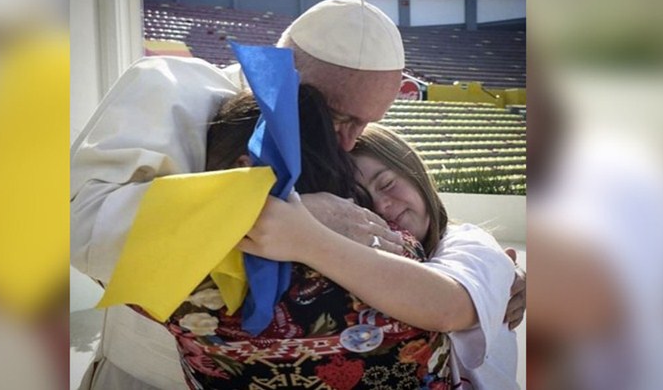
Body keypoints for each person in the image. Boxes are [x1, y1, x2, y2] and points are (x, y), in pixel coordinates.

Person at [155, 85, 454, 388]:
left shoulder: (172, 275)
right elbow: (452, 306)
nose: (381, 207)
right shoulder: (392, 245)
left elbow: (109, 252)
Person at [240, 124, 519, 389]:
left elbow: (449, 308)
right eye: (359, 201)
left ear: (415, 173)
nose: (381, 206)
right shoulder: (356, 267)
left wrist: (308, 240)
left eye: (387, 183)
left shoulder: (471, 242)